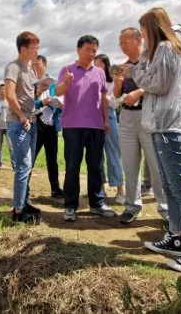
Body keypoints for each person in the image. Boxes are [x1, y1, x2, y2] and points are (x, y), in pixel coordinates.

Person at [131, 8, 181, 272]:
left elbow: (160, 85)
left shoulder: (164, 49)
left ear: (152, 28)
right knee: (169, 185)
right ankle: (175, 237)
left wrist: (138, 71)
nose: (141, 36)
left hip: (167, 125)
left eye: (142, 30)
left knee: (180, 187)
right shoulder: (162, 51)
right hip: (159, 125)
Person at [56, 35, 115, 222]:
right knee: (72, 167)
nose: (91, 53)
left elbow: (104, 97)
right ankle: (70, 205)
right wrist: (66, 83)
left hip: (96, 126)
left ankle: (96, 203)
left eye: (94, 51)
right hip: (73, 125)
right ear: (78, 49)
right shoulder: (67, 70)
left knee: (96, 166)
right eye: (88, 49)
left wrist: (106, 120)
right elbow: (57, 92)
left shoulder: (99, 72)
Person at [113, 28, 169, 226]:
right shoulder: (123, 66)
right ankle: (132, 206)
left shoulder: (151, 61)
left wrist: (139, 91)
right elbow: (117, 94)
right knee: (129, 166)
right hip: (127, 117)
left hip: (148, 115)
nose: (122, 45)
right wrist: (118, 84)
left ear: (138, 40)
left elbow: (159, 83)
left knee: (156, 167)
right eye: (120, 42)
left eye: (125, 40)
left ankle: (166, 211)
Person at [4, 31, 44, 224]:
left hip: (32, 122)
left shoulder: (31, 71)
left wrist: (41, 92)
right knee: (23, 167)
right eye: (34, 47)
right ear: (23, 49)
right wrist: (21, 116)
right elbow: (10, 95)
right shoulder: (13, 67)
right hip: (19, 123)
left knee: (27, 167)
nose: (37, 51)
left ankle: (23, 202)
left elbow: (31, 98)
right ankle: (18, 212)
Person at [93, 54, 125, 204]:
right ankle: (101, 188)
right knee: (97, 156)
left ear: (106, 65)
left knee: (113, 154)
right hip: (93, 118)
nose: (96, 67)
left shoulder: (112, 82)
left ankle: (120, 190)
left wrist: (102, 97)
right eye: (95, 64)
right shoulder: (92, 81)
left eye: (99, 64)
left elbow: (115, 102)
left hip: (109, 117)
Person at [33, 55, 63, 199]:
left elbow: (61, 103)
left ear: (45, 66)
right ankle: (24, 190)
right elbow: (27, 105)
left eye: (37, 65)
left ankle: (55, 189)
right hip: (37, 125)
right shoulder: (31, 85)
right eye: (33, 65)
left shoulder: (54, 85)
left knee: (52, 159)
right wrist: (41, 101)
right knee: (31, 158)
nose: (35, 68)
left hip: (51, 125)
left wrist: (59, 105)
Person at [0, 84, 15, 170]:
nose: (3, 90)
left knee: (11, 146)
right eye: (1, 89)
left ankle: (14, 165)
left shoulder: (9, 101)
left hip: (8, 126)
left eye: (5, 89)